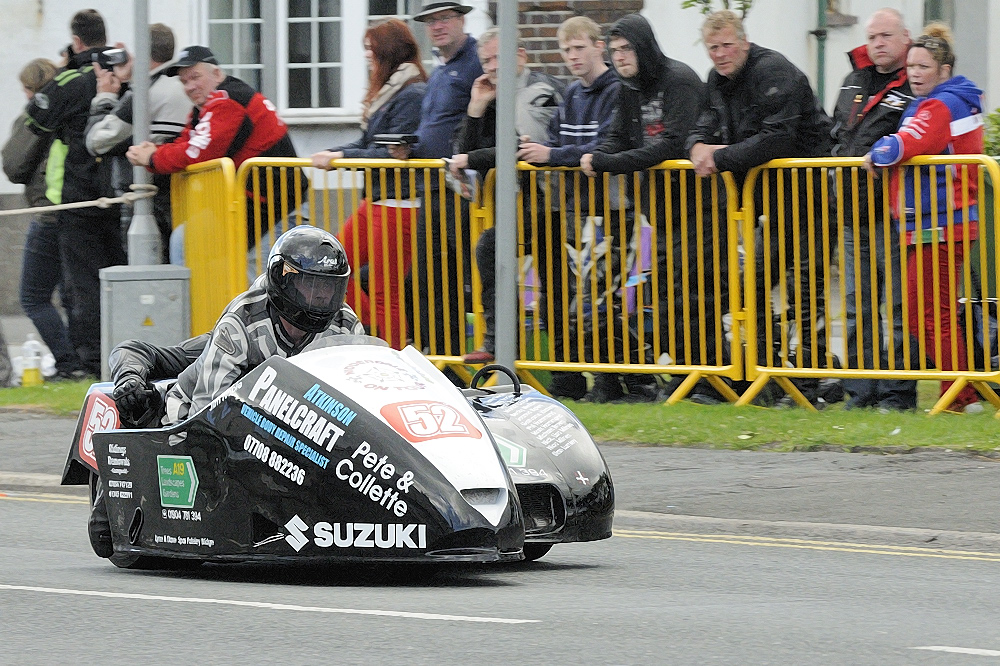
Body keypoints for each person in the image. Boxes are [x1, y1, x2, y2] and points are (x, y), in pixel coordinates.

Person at [89, 225, 364, 558]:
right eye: (311, 286)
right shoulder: (242, 321)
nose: (321, 298)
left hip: (298, 431)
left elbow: (355, 394)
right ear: (284, 281)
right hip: (211, 419)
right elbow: (210, 413)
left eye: (329, 288)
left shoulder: (345, 323)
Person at [687, 10, 834, 406]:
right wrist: (697, 146)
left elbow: (778, 139)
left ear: (744, 42)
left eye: (726, 45)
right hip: (766, 204)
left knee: (806, 292)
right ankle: (765, 375)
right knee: (751, 286)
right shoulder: (717, 80)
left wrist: (721, 156)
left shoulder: (773, 70)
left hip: (810, 200)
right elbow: (701, 126)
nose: (719, 54)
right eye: (712, 47)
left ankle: (808, 382)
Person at [489, 15, 620, 401]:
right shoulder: (573, 95)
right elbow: (560, 143)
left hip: (610, 208)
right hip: (573, 207)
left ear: (599, 46)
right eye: (566, 50)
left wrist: (551, 154)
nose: (572, 56)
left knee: (600, 295)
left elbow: (605, 147)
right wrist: (542, 150)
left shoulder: (615, 91)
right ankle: (578, 375)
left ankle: (610, 379)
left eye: (579, 47)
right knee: (576, 296)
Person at [578, 13, 705, 403]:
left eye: (626, 49)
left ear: (644, 47)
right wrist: (597, 155)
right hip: (659, 210)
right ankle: (679, 375)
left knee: (696, 295)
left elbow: (670, 145)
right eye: (614, 51)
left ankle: (703, 379)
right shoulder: (628, 88)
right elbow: (617, 135)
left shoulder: (678, 80)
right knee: (664, 296)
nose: (619, 58)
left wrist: (606, 164)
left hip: (700, 207)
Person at [866, 23, 984, 413]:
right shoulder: (948, 100)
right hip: (933, 223)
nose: (914, 74)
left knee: (933, 316)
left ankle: (960, 398)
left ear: (944, 70)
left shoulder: (940, 104)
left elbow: (908, 143)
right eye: (911, 67)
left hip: (941, 223)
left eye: (923, 67)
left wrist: (878, 152)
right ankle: (962, 394)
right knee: (923, 316)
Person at [309, 19, 427, 350]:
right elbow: (370, 142)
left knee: (383, 290)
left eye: (370, 49)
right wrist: (338, 153)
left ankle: (389, 355)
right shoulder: (395, 90)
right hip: (378, 200)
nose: (367, 57)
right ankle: (374, 336)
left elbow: (390, 151)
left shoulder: (411, 91)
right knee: (332, 271)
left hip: (398, 203)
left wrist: (339, 156)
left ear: (386, 52)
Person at [126, 45, 300, 266]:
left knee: (256, 278)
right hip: (260, 203)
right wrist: (155, 153)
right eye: (184, 81)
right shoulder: (209, 105)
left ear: (216, 73)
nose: (190, 86)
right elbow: (188, 142)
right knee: (188, 242)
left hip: (276, 205)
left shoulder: (228, 101)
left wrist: (152, 158)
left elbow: (198, 152)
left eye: (195, 77)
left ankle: (196, 301)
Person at [452, 27, 563, 367]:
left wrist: (471, 159)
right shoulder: (495, 96)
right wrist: (476, 107)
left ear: (521, 56)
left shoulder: (539, 91)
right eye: (485, 60)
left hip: (551, 200)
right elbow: (462, 150)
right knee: (493, 252)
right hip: (514, 203)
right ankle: (501, 343)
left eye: (498, 58)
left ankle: (564, 369)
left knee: (556, 283)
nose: (492, 67)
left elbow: (522, 147)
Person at [24, 10, 125, 377]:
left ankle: (90, 361)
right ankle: (123, 352)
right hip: (119, 195)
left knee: (82, 285)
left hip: (79, 197)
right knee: (118, 278)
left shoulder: (68, 79)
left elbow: (35, 115)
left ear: (77, 41)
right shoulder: (120, 71)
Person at [832, 9, 917, 411]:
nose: (878, 43)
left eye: (886, 35)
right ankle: (861, 392)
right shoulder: (853, 80)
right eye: (873, 36)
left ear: (905, 38)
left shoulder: (914, 81)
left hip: (894, 213)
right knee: (856, 304)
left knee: (898, 305)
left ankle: (898, 394)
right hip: (851, 213)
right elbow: (837, 132)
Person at [388, 1, 482, 360]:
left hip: (460, 187)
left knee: (449, 278)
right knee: (428, 278)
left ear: (461, 20)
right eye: (431, 21)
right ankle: (441, 358)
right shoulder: (441, 69)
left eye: (445, 18)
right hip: (433, 183)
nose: (437, 26)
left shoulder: (474, 62)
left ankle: (452, 358)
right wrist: (410, 148)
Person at [3, 58, 85, 382]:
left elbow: (13, 165)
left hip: (48, 213)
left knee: (33, 296)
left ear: (29, 90)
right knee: (70, 293)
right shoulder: (75, 111)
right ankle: (80, 361)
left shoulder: (34, 118)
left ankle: (68, 363)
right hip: (75, 211)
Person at [86, 23, 192, 261]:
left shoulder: (146, 92)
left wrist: (106, 95)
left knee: (148, 271)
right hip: (186, 198)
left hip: (149, 200)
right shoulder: (181, 86)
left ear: (143, 53)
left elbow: (97, 141)